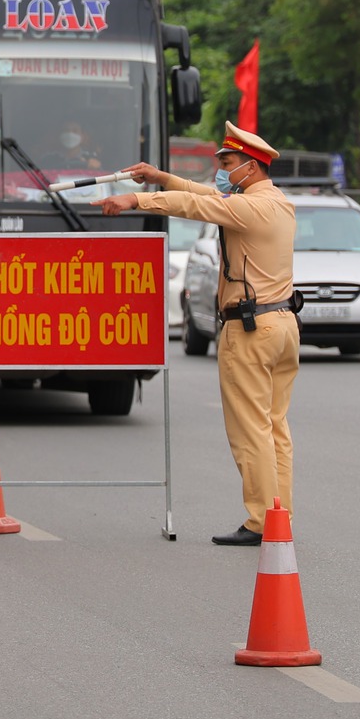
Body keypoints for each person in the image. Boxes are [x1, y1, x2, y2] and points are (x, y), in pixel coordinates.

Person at [94, 121, 297, 546]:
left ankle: (261, 521)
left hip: (251, 328)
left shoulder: (249, 208)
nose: (221, 173)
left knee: (250, 430)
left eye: (228, 164)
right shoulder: (275, 203)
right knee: (275, 426)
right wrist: (161, 176)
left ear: (252, 167)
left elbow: (193, 206)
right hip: (281, 325)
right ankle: (280, 515)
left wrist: (135, 198)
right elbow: (208, 195)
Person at [37, 121, 103, 174]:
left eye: (75, 131)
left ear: (82, 136)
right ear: (59, 135)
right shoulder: (47, 159)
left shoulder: (92, 158)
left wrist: (95, 167)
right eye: (66, 130)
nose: (70, 134)